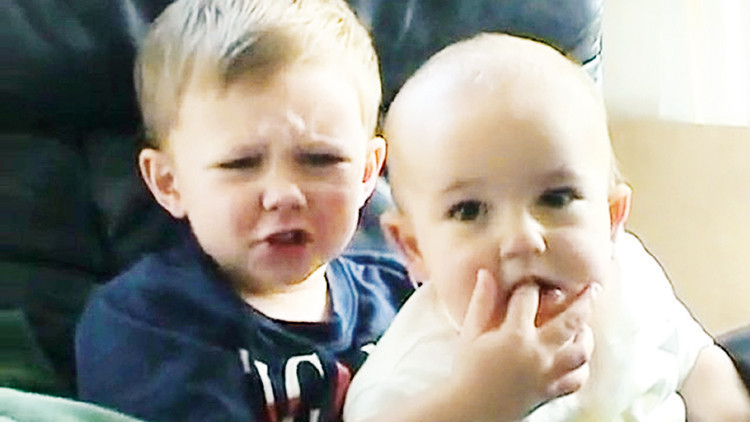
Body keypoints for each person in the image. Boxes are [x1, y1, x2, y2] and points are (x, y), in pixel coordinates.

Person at [343, 33, 750, 421]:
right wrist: (477, 402)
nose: (522, 238)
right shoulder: (402, 387)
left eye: (555, 198)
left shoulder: (630, 275)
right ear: (414, 248)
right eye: (469, 210)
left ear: (611, 219)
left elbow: (698, 367)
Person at [74, 0, 413, 421]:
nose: (284, 195)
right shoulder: (143, 321)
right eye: (241, 164)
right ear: (169, 182)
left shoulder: (408, 297)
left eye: (320, 159)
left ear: (366, 173)